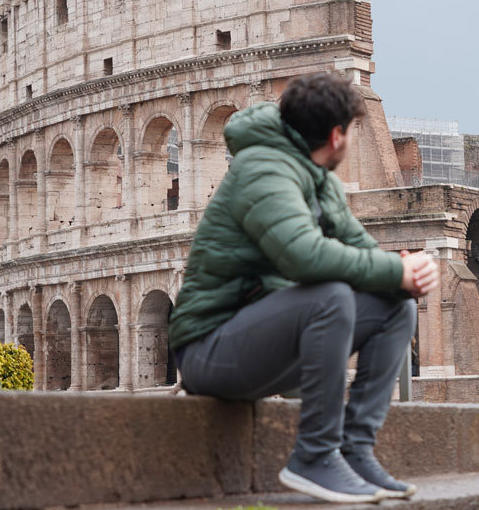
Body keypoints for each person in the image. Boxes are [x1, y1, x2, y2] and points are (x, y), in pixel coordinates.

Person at [168, 72, 440, 504]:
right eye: (352, 132)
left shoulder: (319, 180)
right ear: (336, 135)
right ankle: (313, 456)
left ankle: (354, 449)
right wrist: (392, 270)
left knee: (396, 304)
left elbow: (361, 250)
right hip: (209, 350)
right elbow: (304, 256)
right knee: (329, 296)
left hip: (264, 346)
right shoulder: (262, 169)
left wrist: (405, 271)